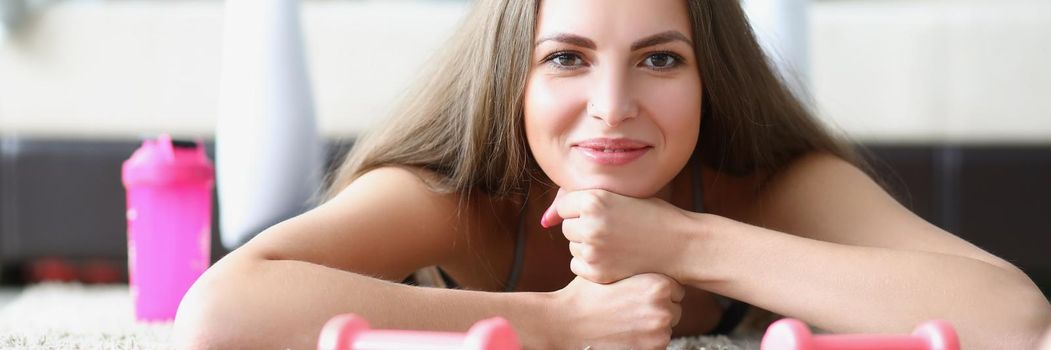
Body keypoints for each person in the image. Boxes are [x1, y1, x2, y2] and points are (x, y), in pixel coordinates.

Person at [173, 0, 1051, 349]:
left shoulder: (768, 183)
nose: (611, 104)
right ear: (510, 78)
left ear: (710, 76)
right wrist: (556, 322)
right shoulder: (455, 190)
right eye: (566, 59)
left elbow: (1012, 319)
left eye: (661, 62)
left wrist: (689, 240)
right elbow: (217, 314)